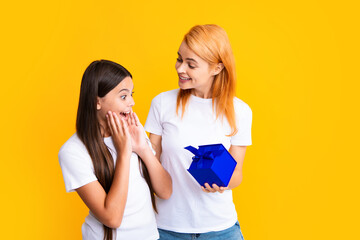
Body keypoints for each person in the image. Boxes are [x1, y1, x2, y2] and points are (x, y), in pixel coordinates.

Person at [145, 24, 252, 239]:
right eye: (179, 59)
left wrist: (222, 183)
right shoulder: (162, 104)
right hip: (167, 228)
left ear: (217, 68)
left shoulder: (240, 111)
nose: (180, 68)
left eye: (191, 64)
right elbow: (149, 162)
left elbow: (237, 173)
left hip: (221, 229)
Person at [58, 60, 172, 240]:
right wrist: (124, 153)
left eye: (131, 94)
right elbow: (112, 218)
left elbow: (165, 191)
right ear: (97, 102)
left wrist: (142, 148)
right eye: (123, 96)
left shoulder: (134, 129)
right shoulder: (73, 151)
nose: (132, 102)